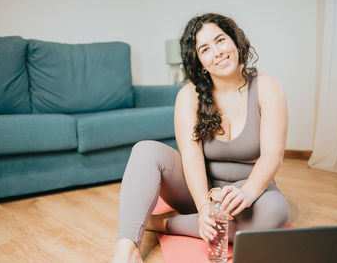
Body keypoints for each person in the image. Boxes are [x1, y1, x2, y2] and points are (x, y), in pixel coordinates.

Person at [112, 13, 290, 263]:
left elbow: (273, 154)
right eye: (205, 49)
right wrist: (205, 208)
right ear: (200, 62)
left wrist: (248, 193)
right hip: (197, 190)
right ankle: (126, 249)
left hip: (245, 193)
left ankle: (165, 224)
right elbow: (191, 155)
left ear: (236, 41)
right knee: (145, 150)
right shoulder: (188, 96)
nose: (216, 52)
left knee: (275, 214)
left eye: (220, 40)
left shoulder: (267, 87)